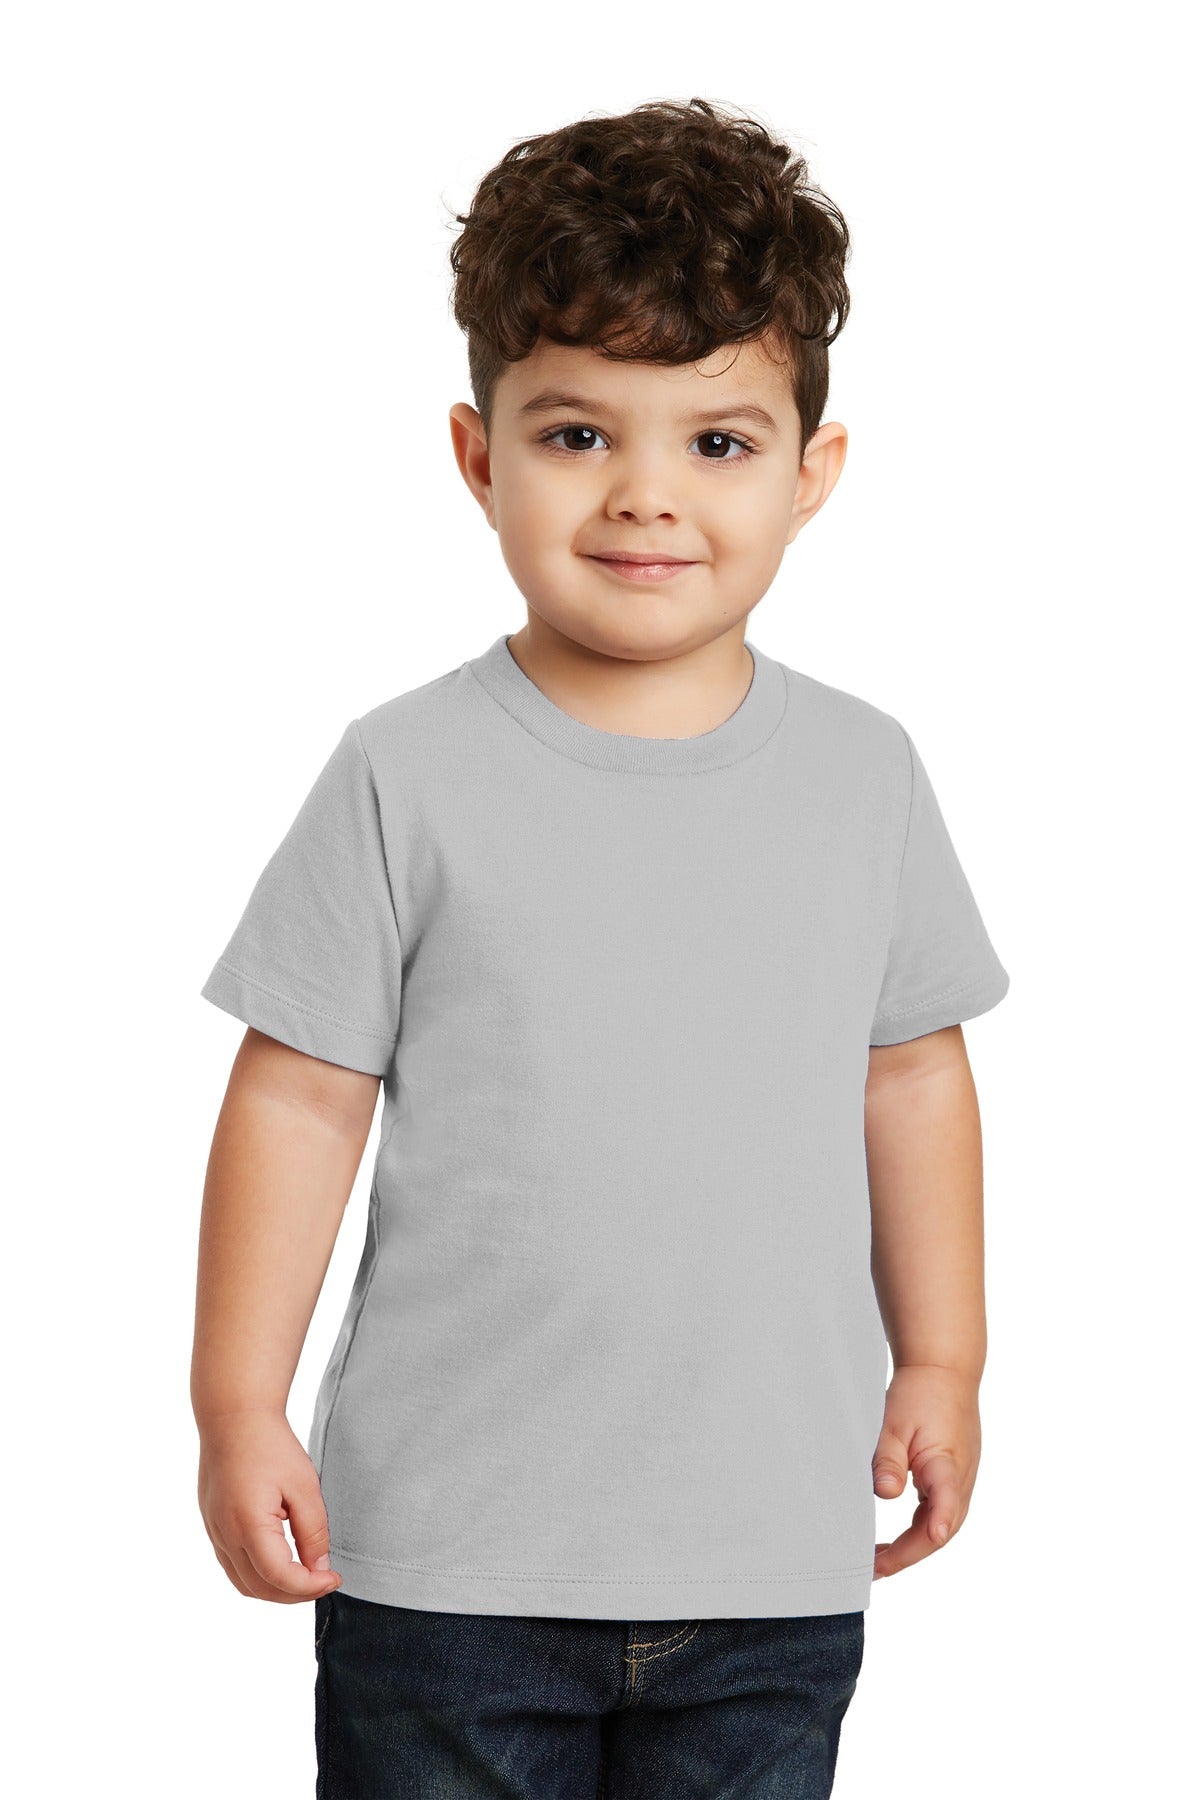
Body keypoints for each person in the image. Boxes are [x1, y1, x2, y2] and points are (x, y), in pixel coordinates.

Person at [193, 96, 1011, 1799]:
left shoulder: (864, 775)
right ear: (478, 455)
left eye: (716, 442)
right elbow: (297, 1099)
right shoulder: (404, 772)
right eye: (577, 434)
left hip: (769, 1562)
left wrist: (945, 1357)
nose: (646, 497)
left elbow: (913, 1079)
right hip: (448, 1568)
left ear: (811, 474)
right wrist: (235, 1404)